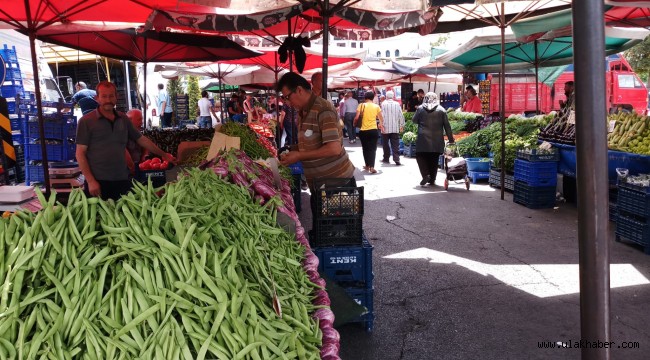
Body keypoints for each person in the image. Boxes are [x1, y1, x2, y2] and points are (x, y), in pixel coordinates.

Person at [76, 81, 175, 201]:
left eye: (111, 96)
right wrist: (91, 181)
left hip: (122, 179)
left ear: (116, 97)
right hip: (98, 181)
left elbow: (141, 139)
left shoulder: (123, 118)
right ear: (97, 98)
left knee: (123, 216)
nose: (108, 100)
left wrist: (164, 154)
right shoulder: (86, 121)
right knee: (98, 217)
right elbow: (80, 153)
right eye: (104, 96)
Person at [276, 71, 354, 192]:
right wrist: (292, 149)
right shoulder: (303, 111)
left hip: (336, 182)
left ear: (299, 90)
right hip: (319, 183)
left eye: (287, 97)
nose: (286, 102)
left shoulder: (323, 109)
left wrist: (299, 155)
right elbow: (313, 142)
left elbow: (334, 148)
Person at [412, 92, 454, 186]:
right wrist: (451, 139)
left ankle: (425, 175)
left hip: (423, 138)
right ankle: (432, 179)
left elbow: (414, 120)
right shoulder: (442, 110)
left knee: (420, 156)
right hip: (437, 139)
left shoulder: (420, 109)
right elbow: (447, 126)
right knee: (434, 159)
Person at [353, 91, 384, 174]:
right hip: (373, 130)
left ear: (365, 98)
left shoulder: (361, 105)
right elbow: (381, 118)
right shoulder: (376, 106)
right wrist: (380, 125)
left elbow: (356, 117)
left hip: (363, 131)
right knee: (373, 149)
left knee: (365, 148)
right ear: (373, 98)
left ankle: (367, 165)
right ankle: (372, 166)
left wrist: (354, 123)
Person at [380, 91, 405, 166]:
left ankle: (386, 158)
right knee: (395, 144)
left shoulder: (383, 103)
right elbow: (401, 115)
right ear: (393, 96)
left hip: (385, 128)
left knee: (385, 144)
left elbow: (382, 115)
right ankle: (397, 159)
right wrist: (401, 125)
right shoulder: (397, 104)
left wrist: (381, 124)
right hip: (395, 128)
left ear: (386, 96)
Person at [125, 109, 147, 175]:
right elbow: (123, 152)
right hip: (127, 172)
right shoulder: (122, 134)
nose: (142, 122)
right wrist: (133, 168)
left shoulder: (138, 133)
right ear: (129, 121)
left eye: (142, 119)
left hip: (138, 168)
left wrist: (144, 156)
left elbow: (146, 146)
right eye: (139, 119)